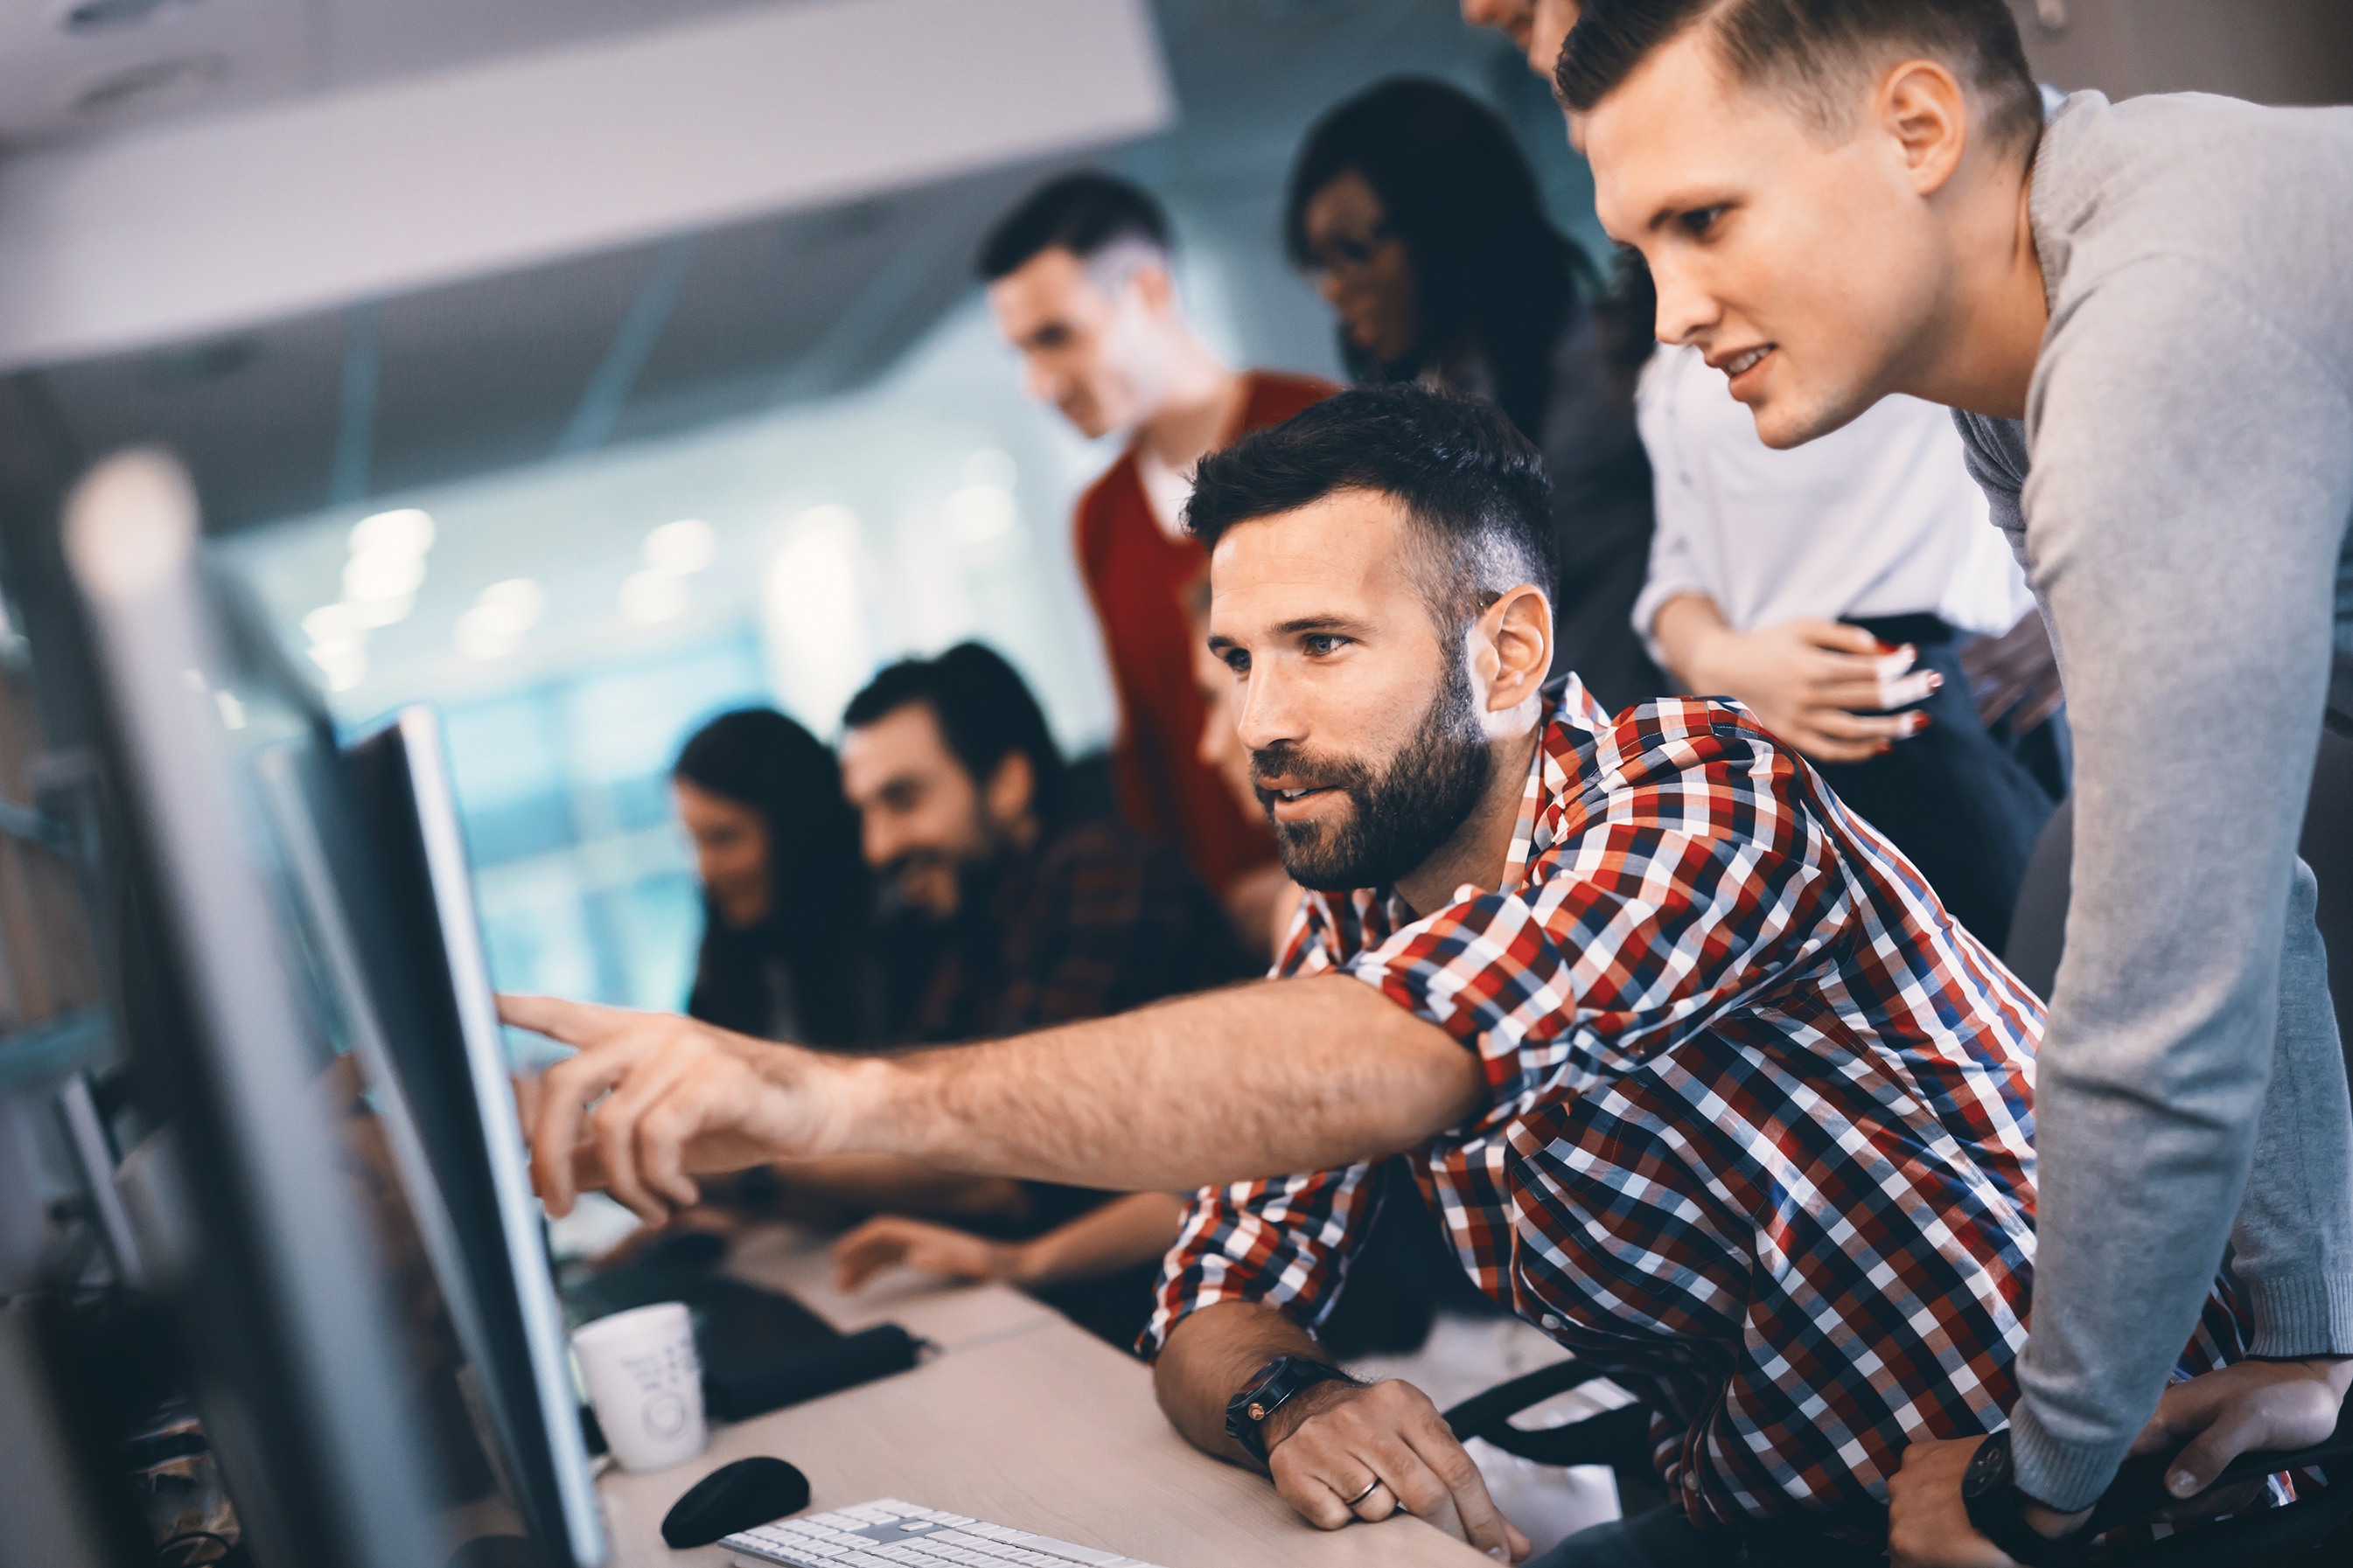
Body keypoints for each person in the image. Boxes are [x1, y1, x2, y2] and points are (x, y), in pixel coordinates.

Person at [502, 387, 2266, 1563]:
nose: (1261, 720)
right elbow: (1212, 1297)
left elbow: (1411, 1056)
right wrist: (1296, 1390)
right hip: (1784, 1510)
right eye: (1236, 659)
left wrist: (828, 1100)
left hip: (2084, 1494)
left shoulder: (1693, 798)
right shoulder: (1344, 926)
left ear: (1507, 648)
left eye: (1324, 648)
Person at [1553, 3, 2353, 1562]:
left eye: (1704, 220)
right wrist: (2308, 1326)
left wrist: (2034, 1477)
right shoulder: (2026, 371)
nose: (1667, 310)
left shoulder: (2153, 330)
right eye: (1645, 244)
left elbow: (2161, 1000)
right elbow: (2247, 894)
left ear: (1921, 129)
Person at [821, 641, 1256, 1347]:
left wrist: (748, 1164)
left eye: (903, 799)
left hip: (1205, 1316)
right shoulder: (979, 917)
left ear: (1009, 783)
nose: (876, 848)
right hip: (1117, 1307)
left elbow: (1007, 1156)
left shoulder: (1105, 878)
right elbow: (911, 1112)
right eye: (865, 813)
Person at [978, 172, 1334, 919]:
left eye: (1055, 337)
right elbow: (1149, 755)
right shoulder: (1101, 519)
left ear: (1147, 291)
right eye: (1020, 351)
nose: (1038, 384)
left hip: (1369, 884)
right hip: (1229, 930)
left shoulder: (1323, 430)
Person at [1635, 339, 2060, 951]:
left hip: (1951, 701)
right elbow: (1678, 558)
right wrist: (1715, 658)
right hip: (1773, 730)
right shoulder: (1677, 330)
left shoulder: (1875, 269)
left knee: (2038, 998)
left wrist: (2095, 590)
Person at [1285, 76, 1663, 713]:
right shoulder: (1422, 402)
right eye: (1320, 262)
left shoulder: (1610, 372)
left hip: (1635, 745)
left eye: (1353, 251)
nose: (1332, 289)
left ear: (1445, 225)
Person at [672, 707, 879, 1047]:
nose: (703, 870)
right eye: (692, 842)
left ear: (798, 826)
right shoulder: (724, 961)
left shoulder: (888, 942)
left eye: (724, 837)